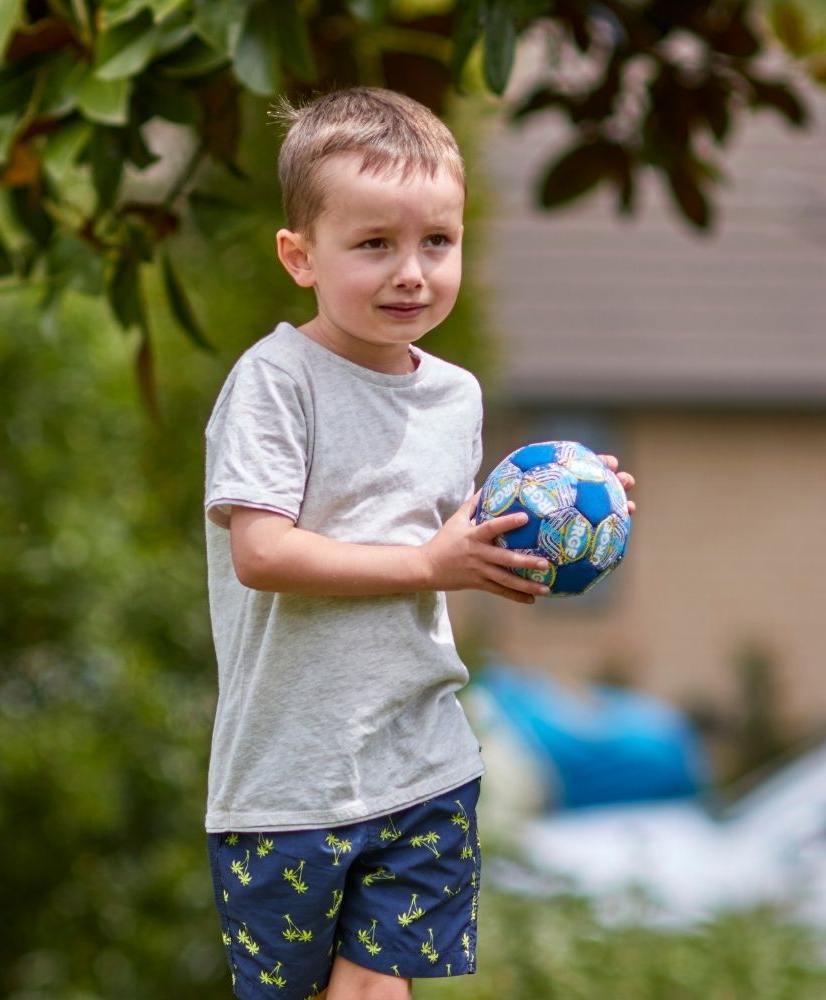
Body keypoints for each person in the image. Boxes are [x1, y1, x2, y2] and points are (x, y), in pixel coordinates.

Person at [203, 87, 634, 1000]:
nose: (412, 272)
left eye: (437, 241)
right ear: (299, 256)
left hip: (424, 765)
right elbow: (262, 554)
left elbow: (450, 544)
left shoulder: (456, 397)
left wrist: (560, 507)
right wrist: (430, 565)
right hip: (291, 782)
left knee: (376, 990)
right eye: (374, 244)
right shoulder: (276, 382)